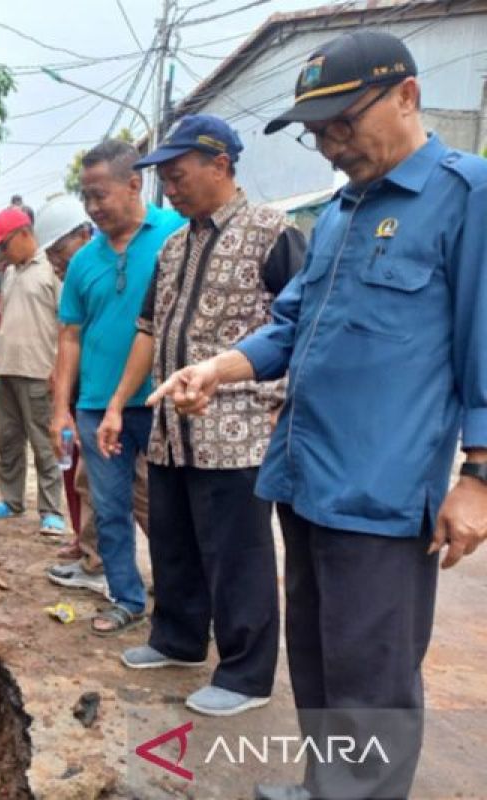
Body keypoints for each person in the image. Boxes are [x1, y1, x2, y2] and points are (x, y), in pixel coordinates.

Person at [148, 31, 487, 800]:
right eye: (318, 130)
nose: (330, 144)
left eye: (343, 123)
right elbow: (290, 324)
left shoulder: (468, 197)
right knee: (318, 656)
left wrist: (479, 475)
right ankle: (325, 783)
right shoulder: (341, 212)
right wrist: (218, 367)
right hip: (303, 478)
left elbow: (485, 341)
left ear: (406, 95)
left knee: (371, 673)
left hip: (383, 492)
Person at [99, 114, 306, 717]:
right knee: (174, 543)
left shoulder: (274, 234)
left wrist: (280, 411)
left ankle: (245, 674)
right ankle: (179, 639)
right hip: (171, 428)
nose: (172, 188)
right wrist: (119, 406)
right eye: (164, 178)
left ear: (220, 165)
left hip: (236, 428)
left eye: (179, 174)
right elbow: (147, 330)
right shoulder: (173, 247)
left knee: (237, 555)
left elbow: (302, 331)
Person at [47, 140, 184, 626]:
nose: (92, 208)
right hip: (96, 405)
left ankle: (181, 605)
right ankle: (126, 599)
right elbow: (70, 339)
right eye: (86, 197)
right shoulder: (84, 261)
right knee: (108, 508)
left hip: (163, 402)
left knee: (169, 510)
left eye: (99, 195)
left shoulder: (176, 234)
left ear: (134, 184)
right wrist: (62, 409)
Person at [0, 206, 66, 536]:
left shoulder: (52, 270)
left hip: (38, 371)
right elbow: (3, 323)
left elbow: (66, 326)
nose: (2, 253)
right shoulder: (11, 273)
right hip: (6, 371)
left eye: (5, 245)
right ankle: (12, 501)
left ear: (25, 235)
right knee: (8, 440)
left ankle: (51, 510)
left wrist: (59, 369)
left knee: (44, 443)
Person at [33, 195, 94, 541]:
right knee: (71, 469)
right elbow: (67, 334)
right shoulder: (72, 281)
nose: (56, 262)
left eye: (59, 252)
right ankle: (80, 540)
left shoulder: (106, 270)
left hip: (99, 394)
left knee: (99, 480)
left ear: (84, 234)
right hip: (75, 390)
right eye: (51, 255)